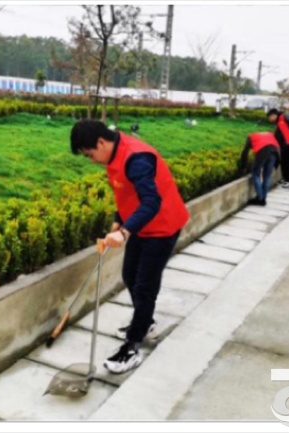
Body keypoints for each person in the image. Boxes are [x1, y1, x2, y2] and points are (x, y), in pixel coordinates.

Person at [70, 120, 189, 374]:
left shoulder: (137, 158)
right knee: (130, 275)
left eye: (90, 154)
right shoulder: (115, 153)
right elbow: (125, 192)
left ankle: (132, 347)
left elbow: (151, 202)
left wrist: (124, 232)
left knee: (145, 286)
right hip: (141, 225)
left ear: (101, 142)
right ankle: (145, 322)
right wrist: (118, 219)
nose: (91, 160)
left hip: (163, 226)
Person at [240, 131, 280, 206]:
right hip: (274, 153)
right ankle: (263, 198)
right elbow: (277, 146)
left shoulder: (250, 137)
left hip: (263, 152)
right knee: (267, 176)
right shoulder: (269, 134)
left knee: (256, 174)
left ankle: (260, 198)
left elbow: (245, 152)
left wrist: (243, 167)